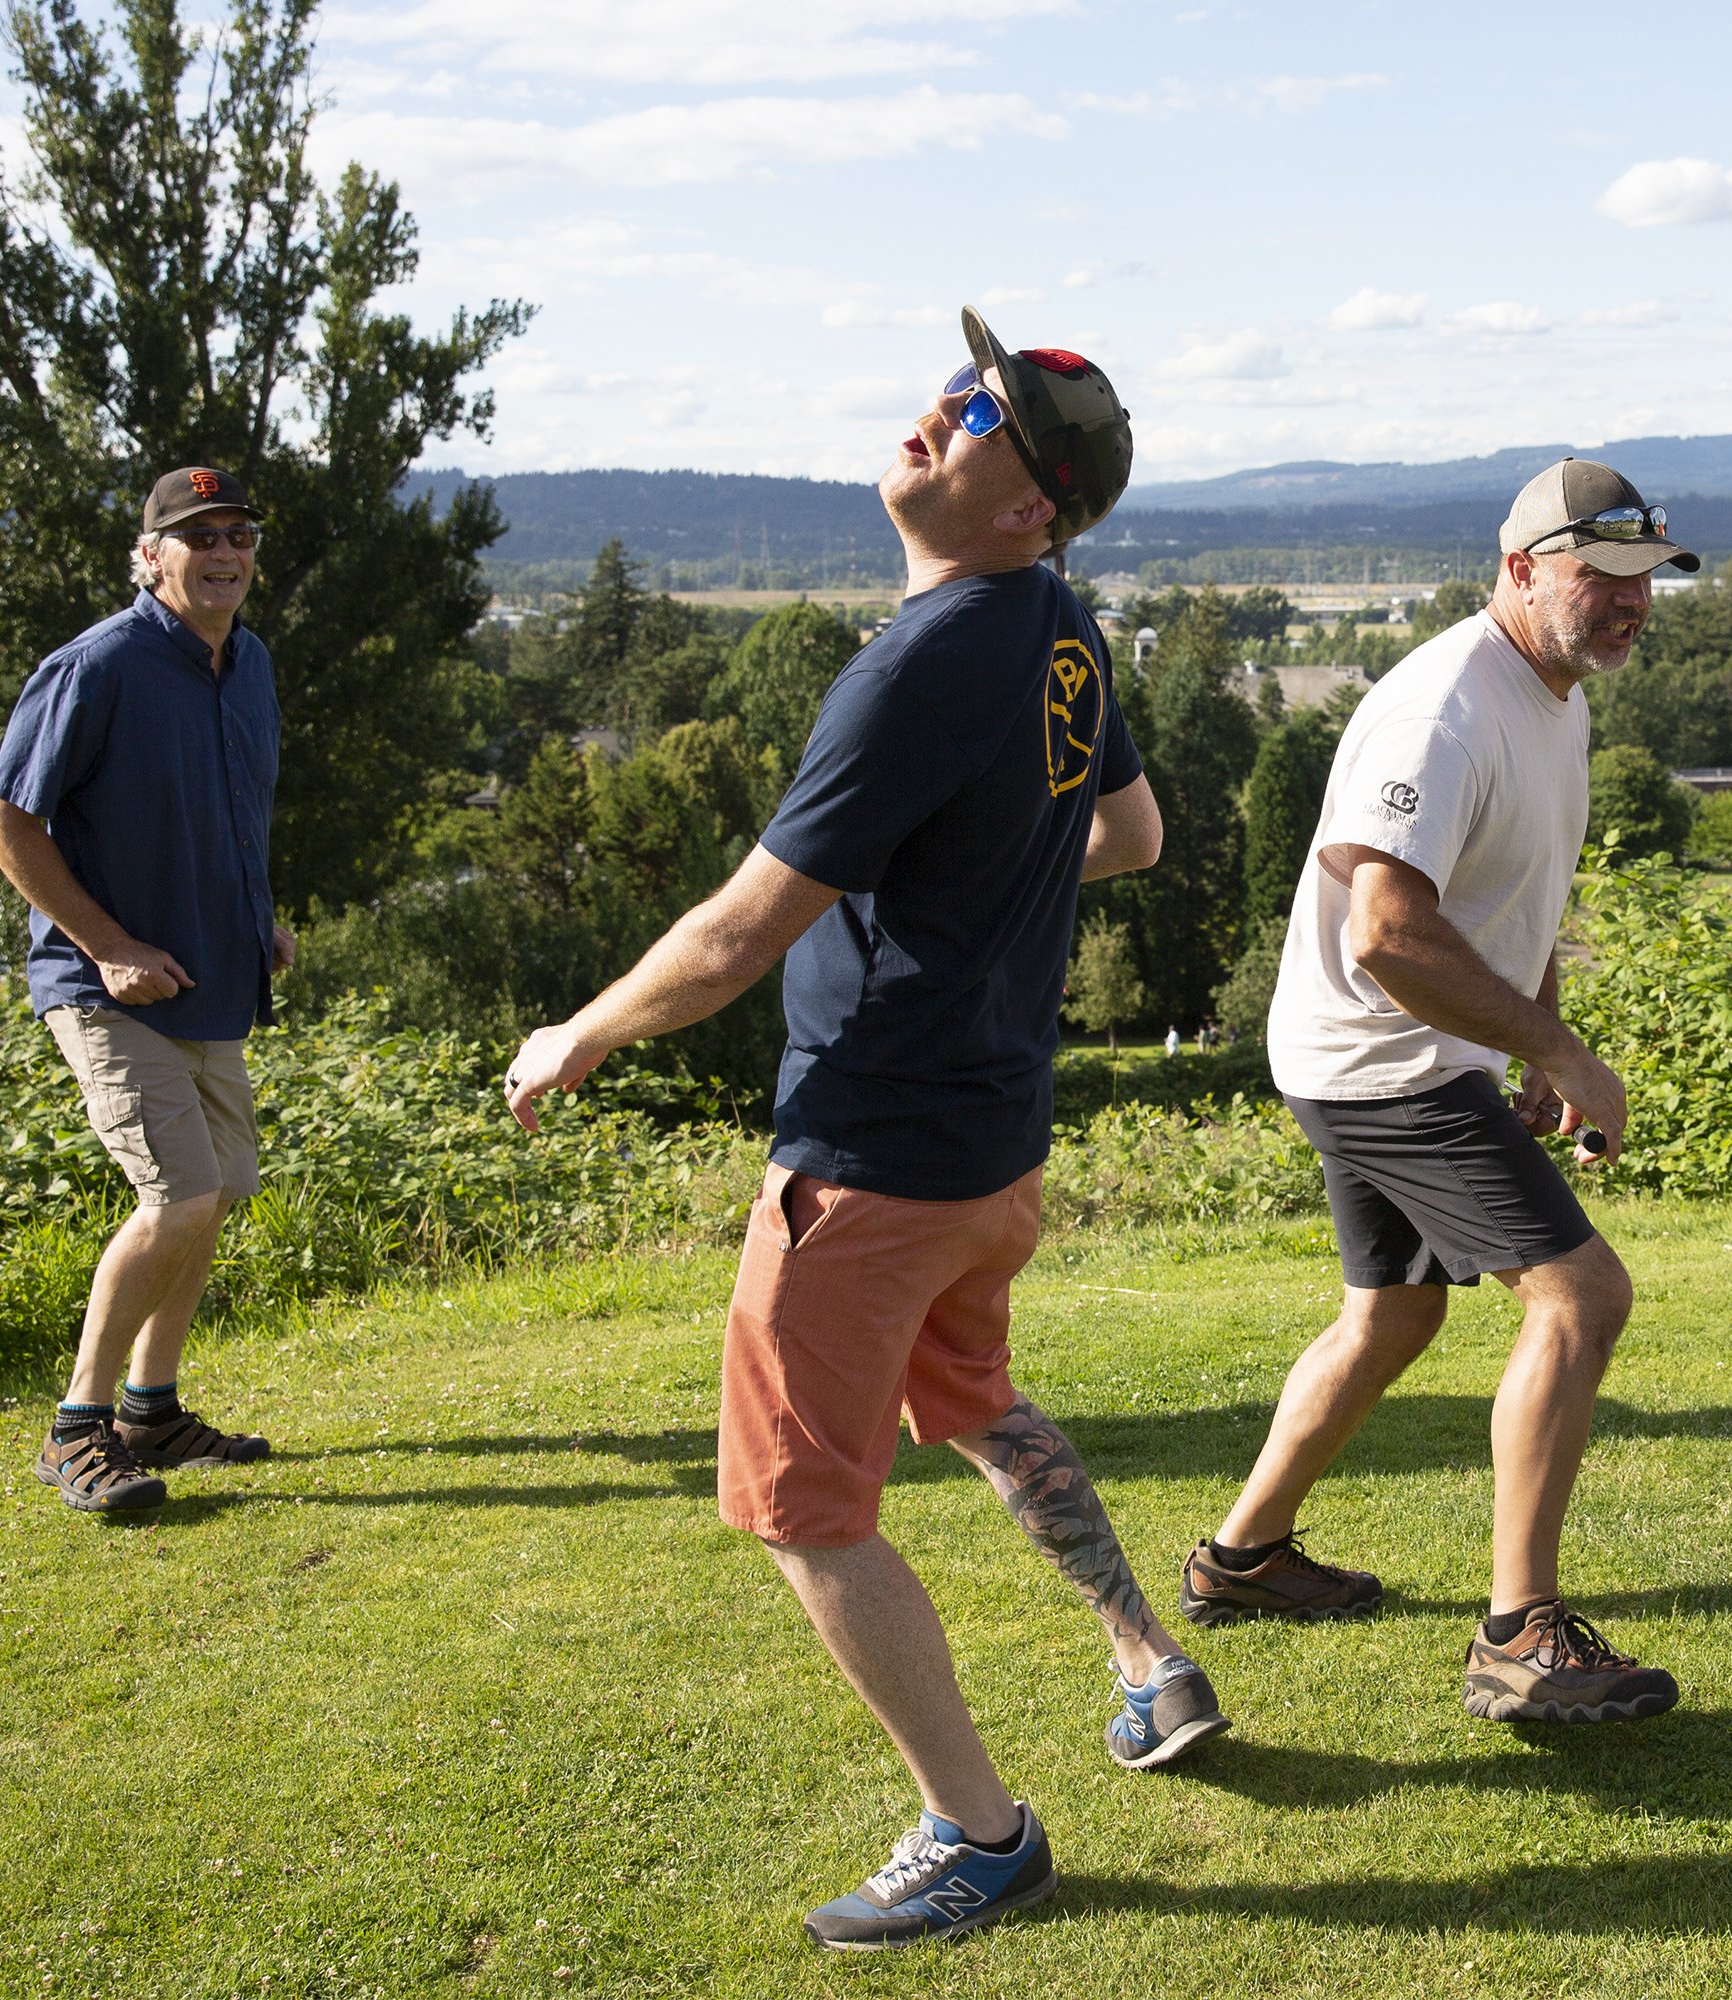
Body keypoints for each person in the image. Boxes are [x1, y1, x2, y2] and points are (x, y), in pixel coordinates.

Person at [504, 311, 1225, 1952]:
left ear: (1028, 502)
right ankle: (1143, 1655)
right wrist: (985, 875)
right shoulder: (1057, 629)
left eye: (981, 415)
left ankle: (982, 1834)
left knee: (802, 1507)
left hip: (872, 1156)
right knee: (972, 1401)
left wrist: (584, 1029)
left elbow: (737, 935)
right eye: (956, 386)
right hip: (990, 1154)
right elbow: (1130, 830)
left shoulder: (927, 659)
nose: (939, 413)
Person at [1180, 458, 1692, 1724]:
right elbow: (1390, 934)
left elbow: (1513, 909)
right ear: (1521, 568)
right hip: (1386, 1058)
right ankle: (1521, 1635)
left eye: (1644, 580)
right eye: (1602, 576)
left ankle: (1241, 1557)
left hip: (1393, 1050)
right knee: (1579, 1296)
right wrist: (1562, 1056)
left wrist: (1531, 1036)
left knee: (1392, 1317)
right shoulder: (1443, 712)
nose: (1629, 602)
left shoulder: (1552, 689)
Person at [0, 467, 293, 1515]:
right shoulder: (96, 666)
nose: (224, 551)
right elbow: (3, 822)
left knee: (219, 1189)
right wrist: (107, 944)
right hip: (106, 988)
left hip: (211, 979)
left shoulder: (248, 667)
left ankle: (151, 1410)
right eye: (197, 535)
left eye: (238, 534)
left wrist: (262, 920)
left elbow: (229, 811)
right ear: (149, 555)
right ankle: (77, 1428)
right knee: (179, 1193)